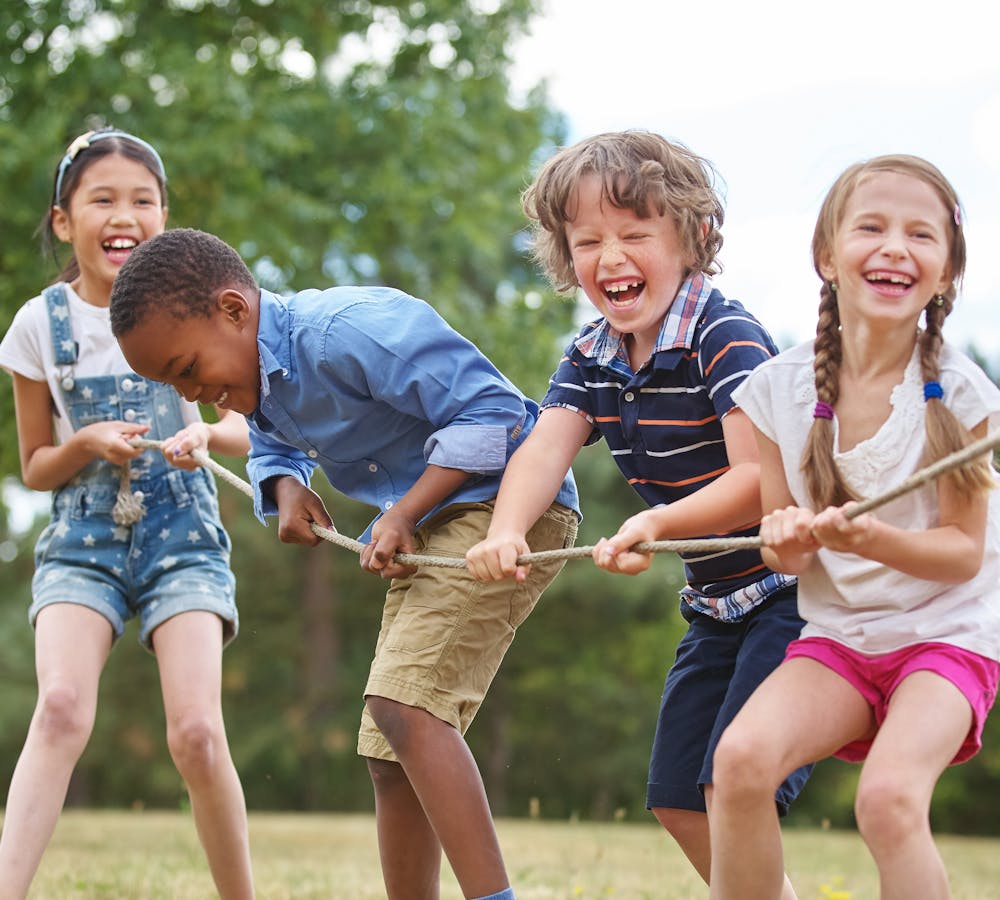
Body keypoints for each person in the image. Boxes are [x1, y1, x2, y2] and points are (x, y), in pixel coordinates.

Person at [108, 226, 580, 900]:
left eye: (188, 370)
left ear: (235, 311)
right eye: (172, 384)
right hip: (434, 522)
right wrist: (284, 488)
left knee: (405, 709)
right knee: (388, 751)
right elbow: (272, 444)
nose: (197, 393)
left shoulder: (346, 332)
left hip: (506, 508)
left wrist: (404, 511)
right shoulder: (260, 382)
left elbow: (495, 411)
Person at [465, 130, 810, 893]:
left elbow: (756, 477)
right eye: (587, 240)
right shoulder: (592, 356)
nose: (610, 256)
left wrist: (655, 523)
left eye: (634, 234)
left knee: (731, 780)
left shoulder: (724, 336)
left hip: (796, 593)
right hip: (718, 603)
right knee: (678, 799)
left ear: (691, 237)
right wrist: (506, 530)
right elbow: (543, 450)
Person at [707, 155, 1000, 900]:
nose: (896, 247)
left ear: (945, 275)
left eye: (921, 236)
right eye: (871, 227)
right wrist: (792, 542)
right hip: (839, 639)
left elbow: (963, 555)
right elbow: (784, 543)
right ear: (827, 255)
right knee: (737, 765)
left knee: (888, 800)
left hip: (946, 640)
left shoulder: (966, 397)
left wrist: (869, 539)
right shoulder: (777, 389)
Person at [0, 130, 255, 898]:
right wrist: (87, 441)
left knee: (198, 734)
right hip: (83, 540)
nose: (124, 214)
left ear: (165, 216)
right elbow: (36, 466)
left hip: (184, 537)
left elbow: (250, 426)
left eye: (143, 200)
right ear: (62, 221)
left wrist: (205, 431)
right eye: (102, 199)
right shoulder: (39, 326)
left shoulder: (202, 306)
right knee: (63, 707)